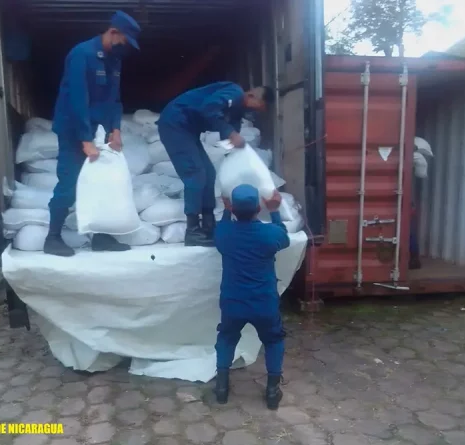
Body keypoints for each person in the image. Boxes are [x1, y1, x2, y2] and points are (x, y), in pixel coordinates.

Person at [42, 11, 142, 257]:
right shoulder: (82, 54)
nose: (126, 48)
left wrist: (115, 129)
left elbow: (114, 99)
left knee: (104, 183)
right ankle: (52, 238)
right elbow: (78, 99)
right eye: (125, 41)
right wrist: (85, 140)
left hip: (97, 130)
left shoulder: (115, 61)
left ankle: (102, 237)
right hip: (72, 129)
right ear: (113, 32)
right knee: (69, 183)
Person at [156, 83, 274, 247]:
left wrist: (233, 150)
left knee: (209, 173)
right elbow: (208, 108)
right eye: (259, 107)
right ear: (253, 96)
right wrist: (230, 134)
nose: (255, 113)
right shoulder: (235, 92)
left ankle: (208, 224)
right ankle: (193, 230)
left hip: (189, 130)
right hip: (175, 124)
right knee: (195, 173)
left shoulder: (238, 110)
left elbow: (232, 130)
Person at [213, 184, 290, 410]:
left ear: (233, 209)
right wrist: (274, 211)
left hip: (233, 301)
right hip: (264, 302)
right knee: (273, 340)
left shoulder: (224, 233)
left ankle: (222, 388)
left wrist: (227, 210)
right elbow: (284, 237)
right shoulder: (270, 234)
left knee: (227, 337)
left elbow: (224, 225)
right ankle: (273, 391)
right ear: (258, 207)